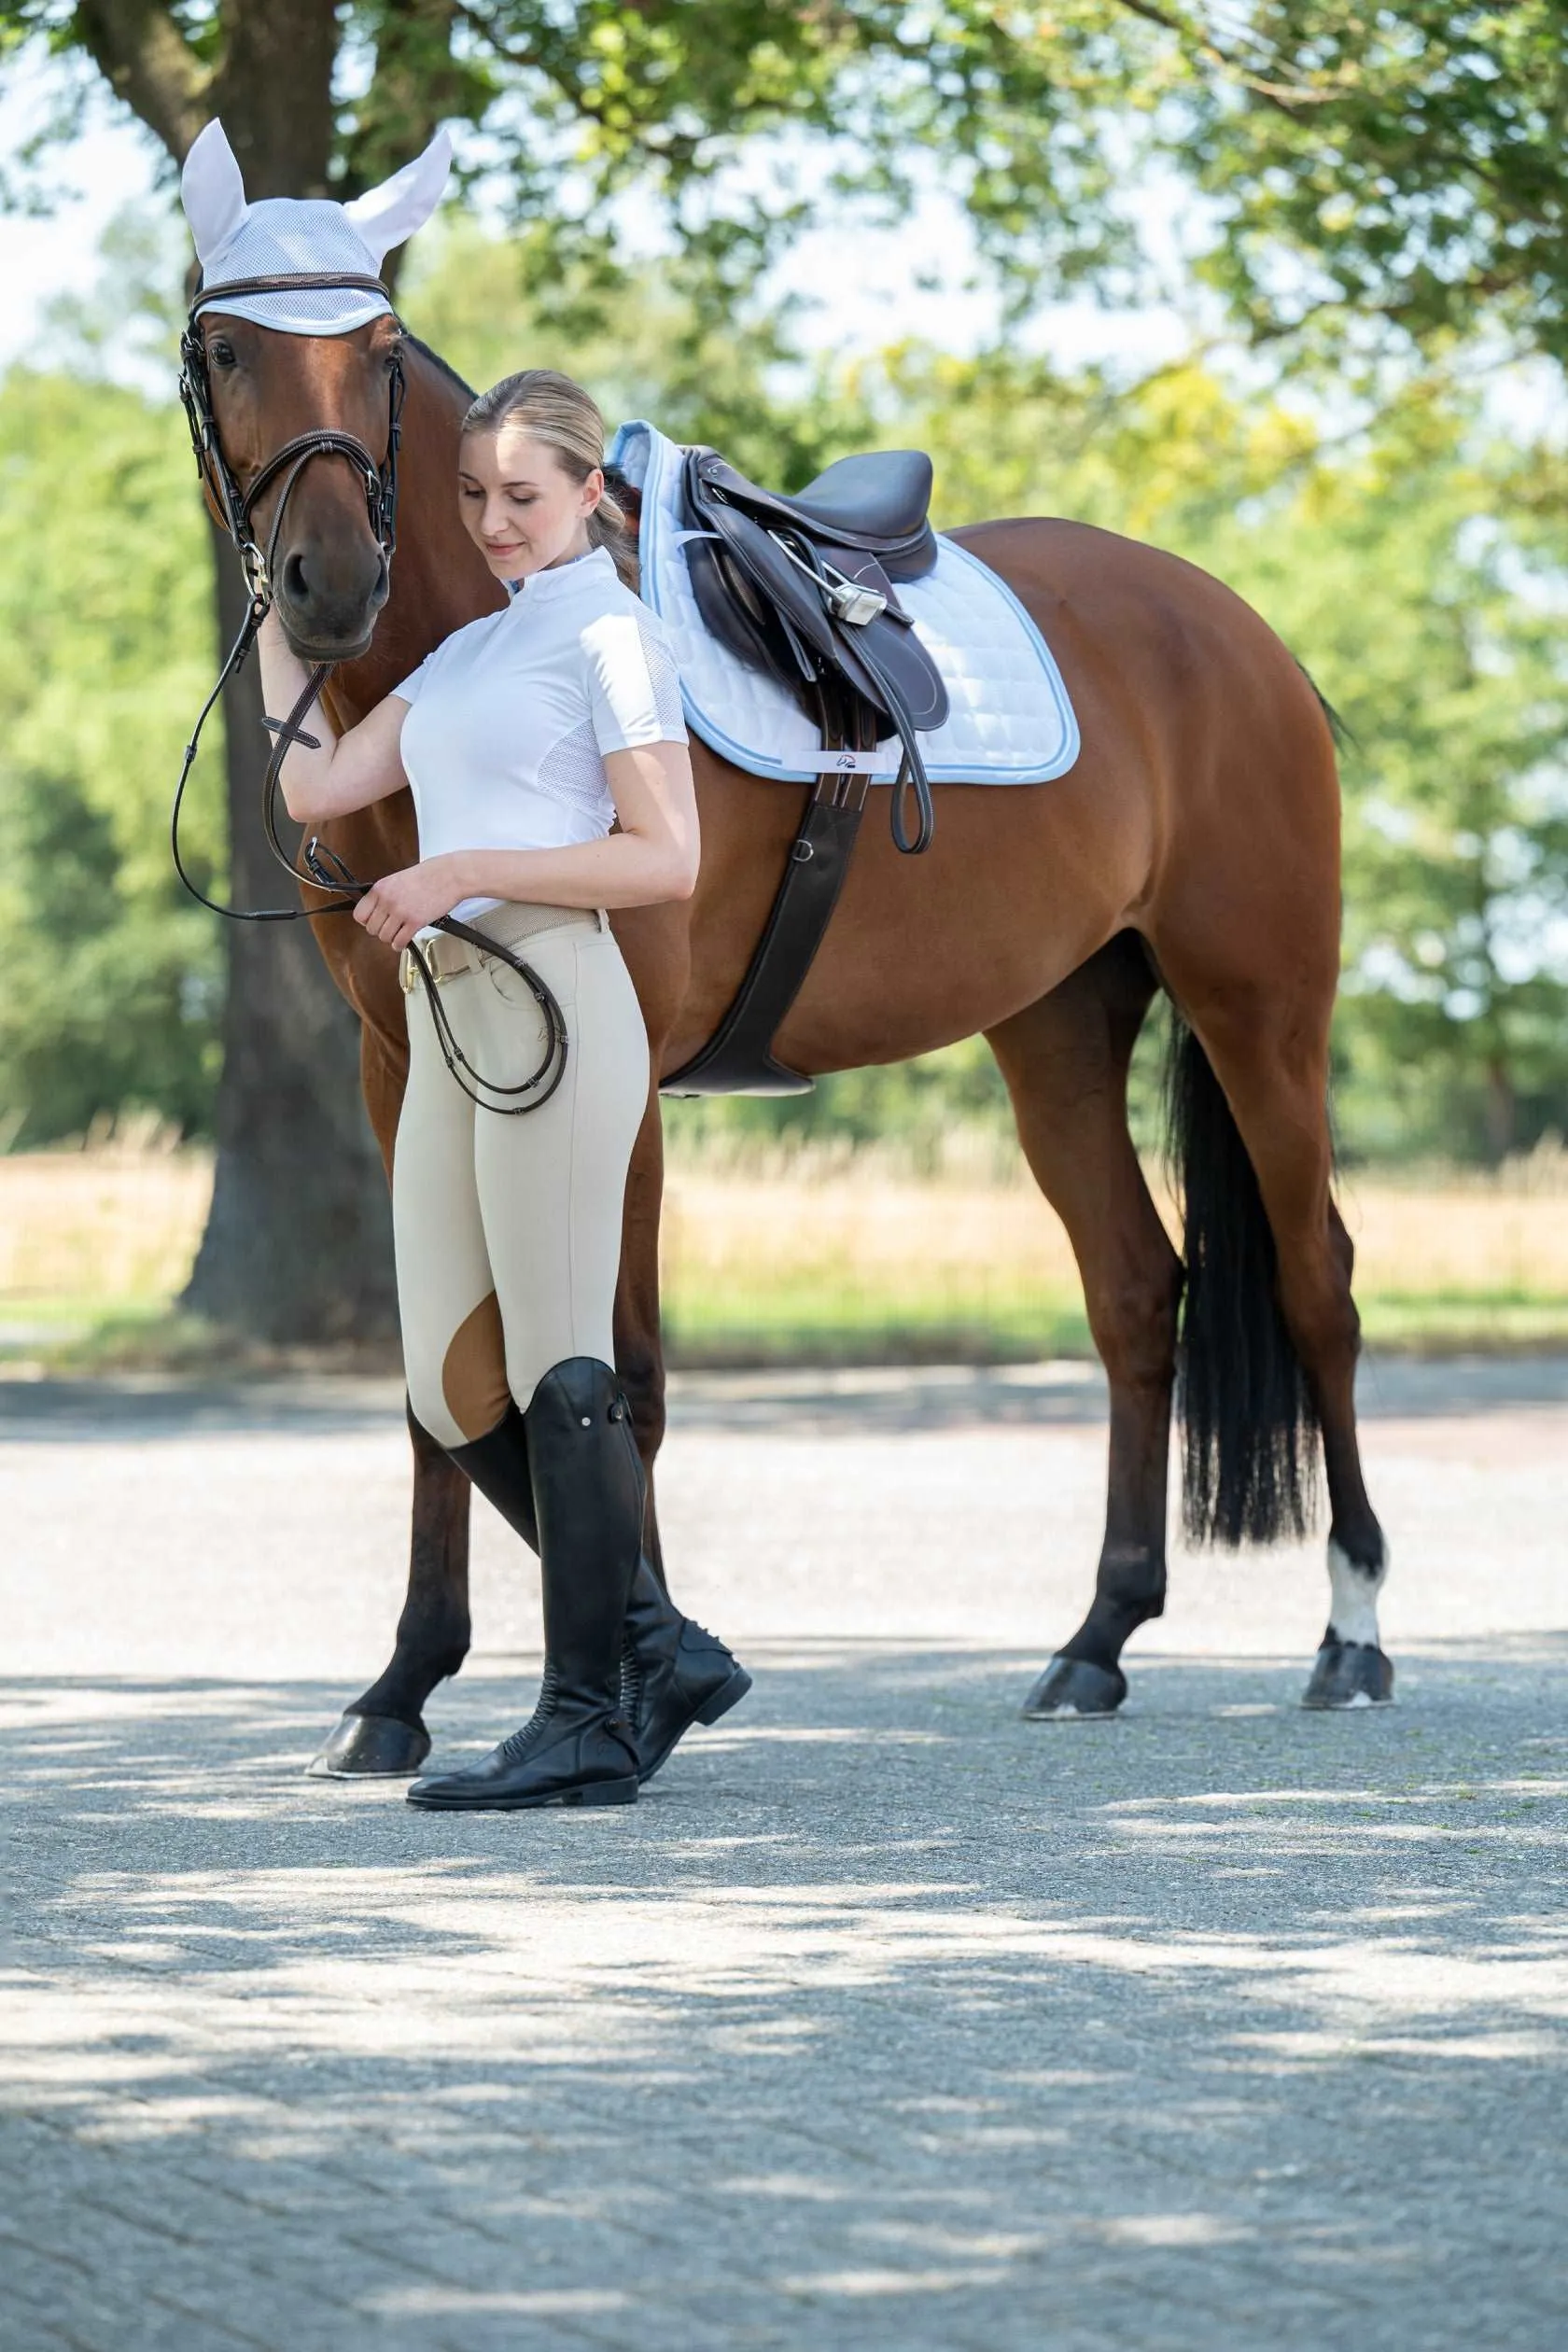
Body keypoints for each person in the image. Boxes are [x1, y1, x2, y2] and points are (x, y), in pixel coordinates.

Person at [260, 367, 749, 1811]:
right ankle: (657, 1641)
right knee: (446, 1374)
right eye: (473, 496)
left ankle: (589, 1709)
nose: (494, 522)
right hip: (451, 1018)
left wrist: (465, 867)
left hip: (557, 997)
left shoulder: (612, 635)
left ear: (590, 494)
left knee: (557, 1363)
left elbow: (667, 859)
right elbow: (318, 788)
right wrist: (275, 619)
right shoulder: (470, 652)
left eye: (524, 497)